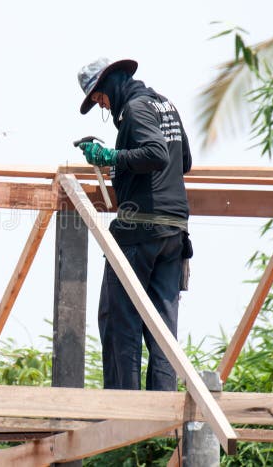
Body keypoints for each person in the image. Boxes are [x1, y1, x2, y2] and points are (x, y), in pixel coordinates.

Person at [76, 57, 192, 391]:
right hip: (174, 230)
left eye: (100, 97)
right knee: (161, 326)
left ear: (110, 84)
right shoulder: (163, 105)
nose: (102, 104)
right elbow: (183, 161)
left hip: (140, 229)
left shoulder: (136, 110)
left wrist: (111, 158)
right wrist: (123, 159)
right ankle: (162, 409)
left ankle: (123, 413)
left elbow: (157, 154)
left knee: (119, 320)